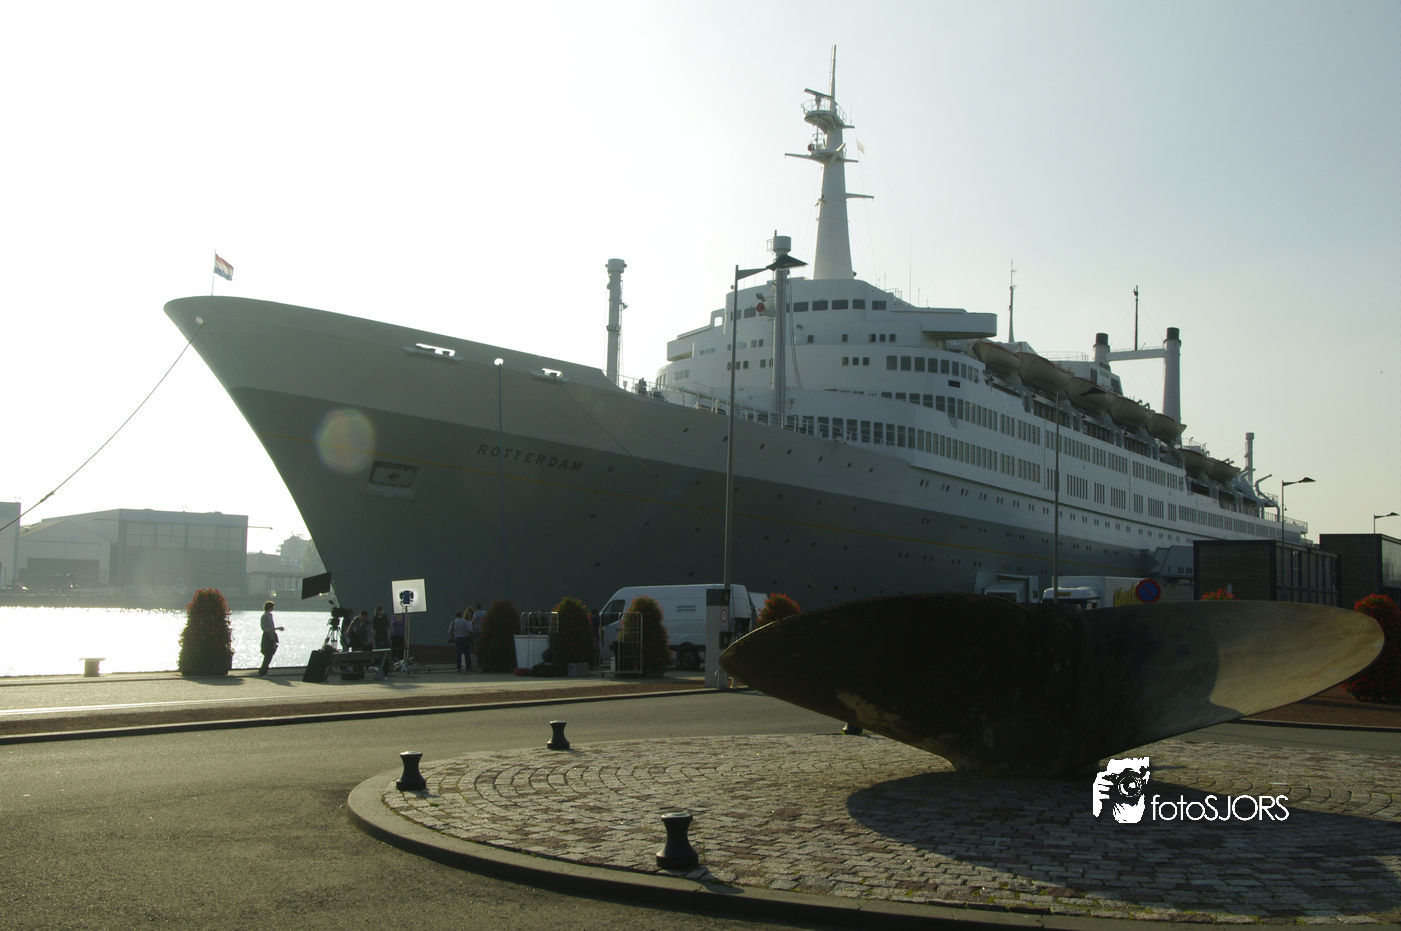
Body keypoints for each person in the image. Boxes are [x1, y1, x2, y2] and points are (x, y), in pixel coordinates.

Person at [258, 600, 284, 676]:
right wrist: (277, 628)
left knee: (270, 654)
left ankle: (263, 671)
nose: (273, 609)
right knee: (268, 654)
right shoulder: (264, 616)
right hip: (267, 636)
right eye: (272, 607)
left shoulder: (270, 615)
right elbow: (265, 628)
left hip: (272, 636)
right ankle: (263, 672)